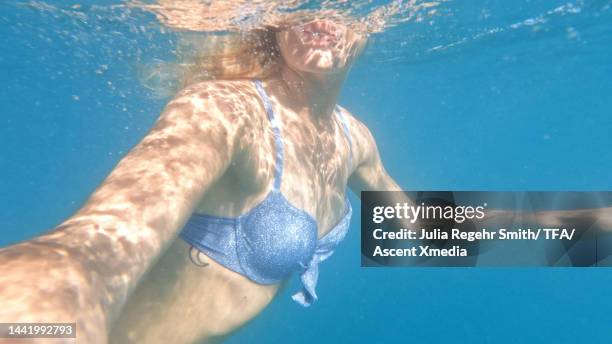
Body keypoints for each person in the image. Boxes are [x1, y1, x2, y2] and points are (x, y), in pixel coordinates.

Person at [0, 5, 403, 344]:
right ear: (273, 30)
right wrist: (38, 318)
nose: (319, 12)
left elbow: (406, 219)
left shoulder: (353, 137)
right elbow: (91, 250)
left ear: (368, 29)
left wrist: (464, 246)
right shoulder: (222, 109)